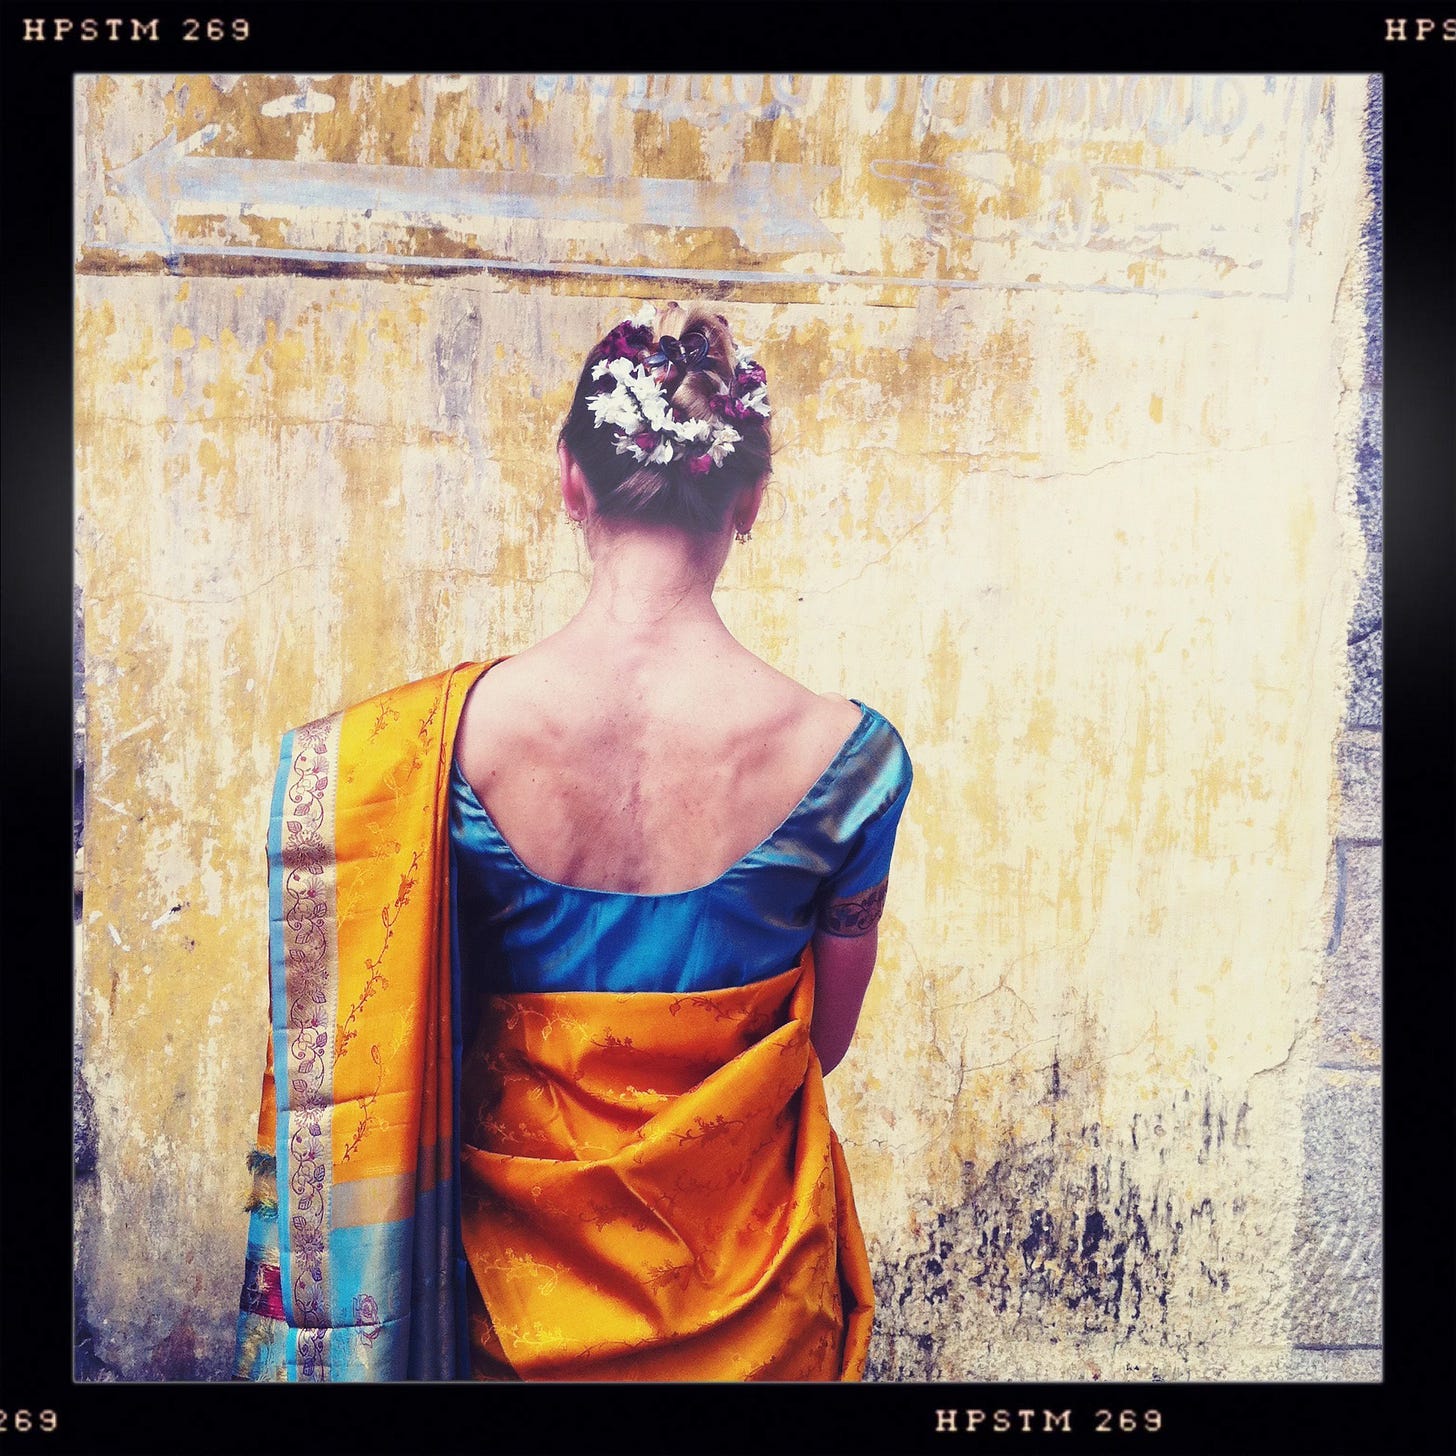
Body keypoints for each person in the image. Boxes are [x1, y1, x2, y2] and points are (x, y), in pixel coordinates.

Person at [232, 303, 913, 1382]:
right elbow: (824, 1040)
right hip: (751, 1286)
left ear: (569, 482)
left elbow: (408, 1019)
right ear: (750, 500)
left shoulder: (444, 748)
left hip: (507, 1292)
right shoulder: (851, 759)